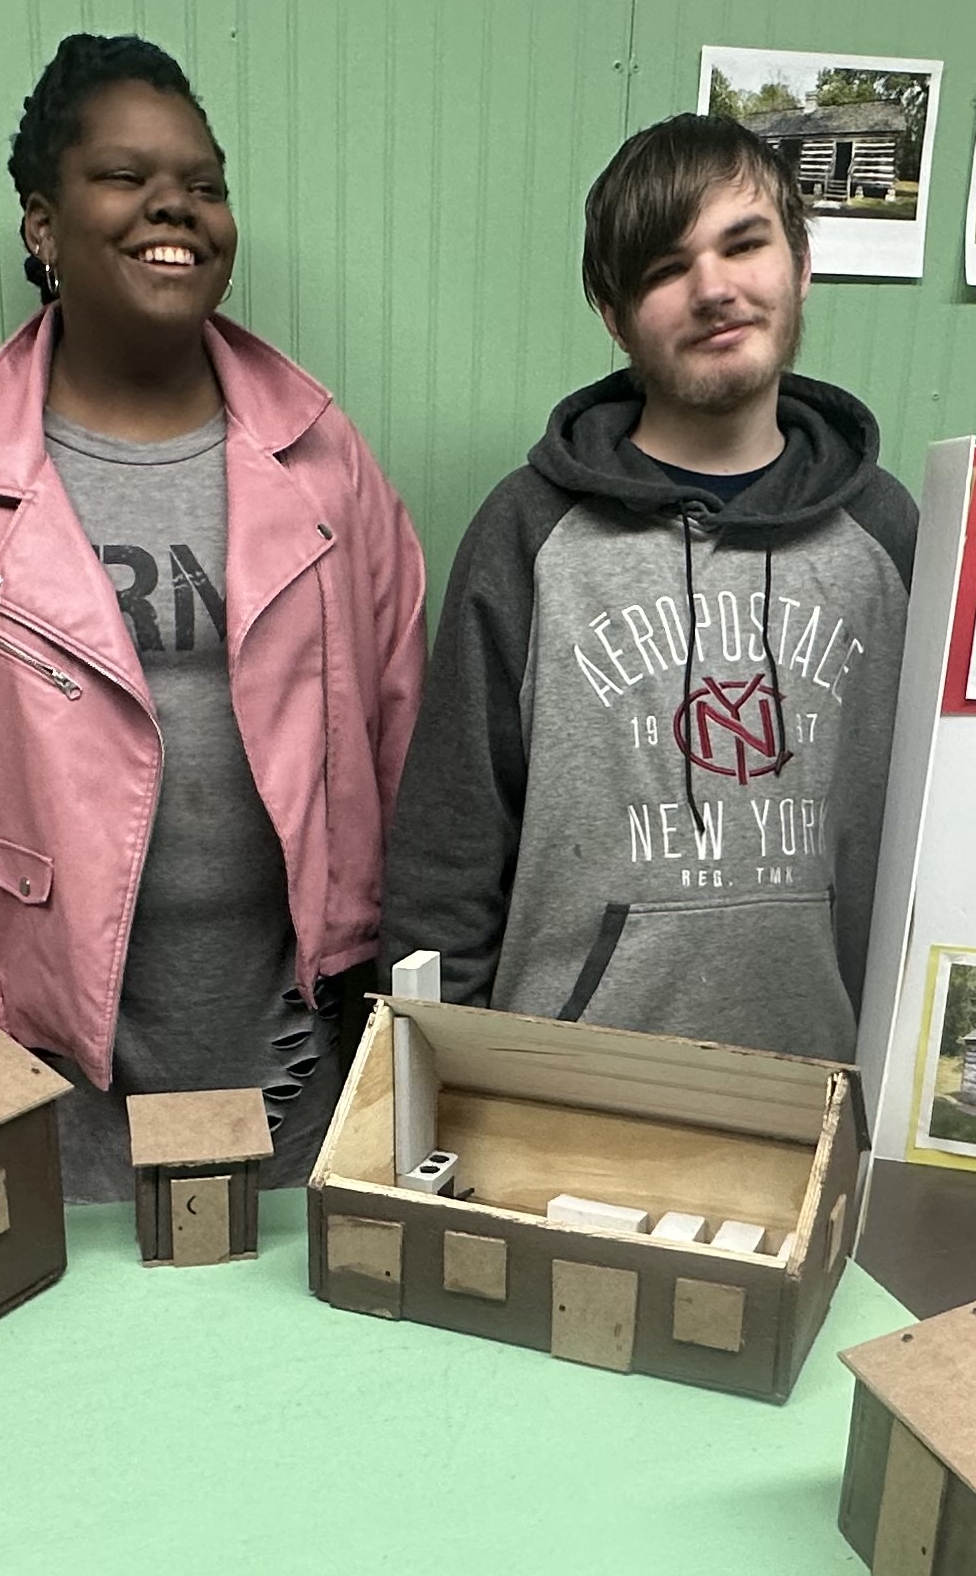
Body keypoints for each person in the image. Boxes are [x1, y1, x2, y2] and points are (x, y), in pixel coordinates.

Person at [0, 34, 426, 1200]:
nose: (175, 208)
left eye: (205, 184)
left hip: (307, 1046)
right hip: (55, 1067)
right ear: (42, 225)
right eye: (125, 178)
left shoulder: (322, 455)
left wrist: (415, 1023)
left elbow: (404, 737)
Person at [382, 112, 917, 1063]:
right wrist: (434, 1081)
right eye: (667, 269)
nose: (714, 288)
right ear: (615, 314)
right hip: (566, 1097)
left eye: (744, 244)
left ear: (800, 264)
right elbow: (448, 850)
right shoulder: (530, 532)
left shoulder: (885, 535)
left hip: (820, 1089)